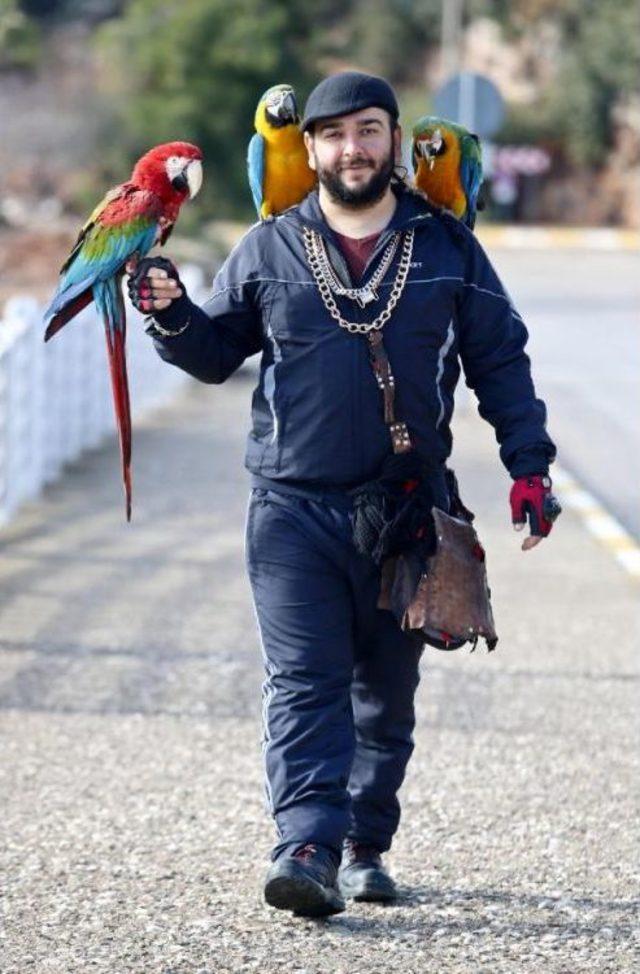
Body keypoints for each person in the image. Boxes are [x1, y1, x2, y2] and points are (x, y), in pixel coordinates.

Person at [127, 71, 559, 918]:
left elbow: (500, 362)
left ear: (394, 140)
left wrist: (530, 469)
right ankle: (307, 848)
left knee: (384, 698)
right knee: (303, 681)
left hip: (409, 509)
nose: (350, 149)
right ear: (309, 148)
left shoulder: (448, 249)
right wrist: (172, 315)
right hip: (291, 509)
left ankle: (365, 844)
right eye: (332, 135)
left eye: (367, 131)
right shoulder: (268, 247)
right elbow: (216, 355)